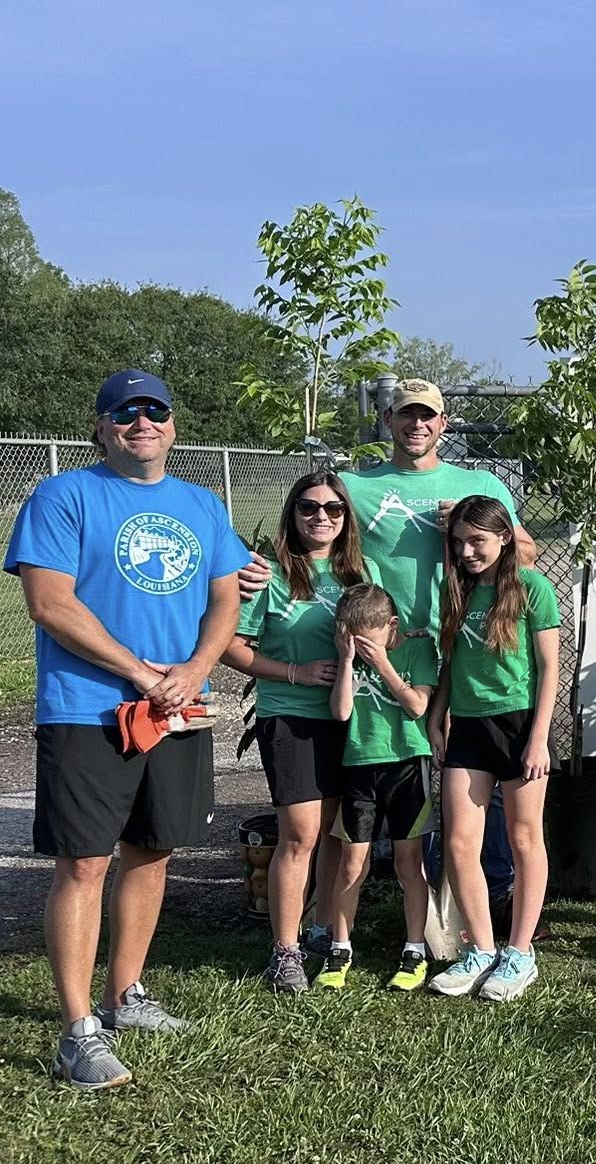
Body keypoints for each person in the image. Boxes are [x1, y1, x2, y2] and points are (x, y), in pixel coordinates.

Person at [7, 370, 250, 1089]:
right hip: (88, 708)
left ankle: (125, 996)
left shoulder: (202, 504)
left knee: (153, 848)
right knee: (83, 862)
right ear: (101, 426)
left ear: (172, 425)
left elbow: (225, 599)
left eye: (155, 410)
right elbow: (50, 604)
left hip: (178, 708)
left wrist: (195, 670)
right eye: (125, 412)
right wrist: (143, 674)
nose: (142, 422)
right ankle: (78, 1031)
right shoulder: (63, 496)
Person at [237, 378, 537, 931]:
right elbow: (314, 531)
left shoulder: (478, 482)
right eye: (405, 414)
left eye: (427, 415)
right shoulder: (354, 486)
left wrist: (466, 524)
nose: (416, 424)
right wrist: (256, 567)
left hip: (463, 648)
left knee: (479, 785)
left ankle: (492, 903)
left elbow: (527, 551)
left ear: (443, 423)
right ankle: (341, 926)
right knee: (393, 777)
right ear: (388, 420)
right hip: (387, 656)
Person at [220, 472, 374, 993]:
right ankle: (284, 952)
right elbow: (231, 646)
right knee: (301, 834)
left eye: (333, 509)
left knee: (335, 833)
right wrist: (296, 673)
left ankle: (322, 929)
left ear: (346, 517)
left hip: (351, 717)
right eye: (309, 507)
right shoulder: (269, 573)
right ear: (293, 513)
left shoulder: (362, 572)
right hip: (291, 715)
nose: (321, 517)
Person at [426, 496, 560, 1003]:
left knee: (524, 838)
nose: (467, 551)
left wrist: (539, 739)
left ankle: (520, 952)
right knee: (460, 843)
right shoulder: (455, 588)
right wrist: (437, 715)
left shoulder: (532, 587)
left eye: (477, 541)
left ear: (505, 537)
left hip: (520, 725)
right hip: (468, 727)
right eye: (459, 542)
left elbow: (549, 668)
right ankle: (481, 949)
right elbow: (451, 662)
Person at [323, 582, 439, 991]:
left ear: (392, 625)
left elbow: (418, 706)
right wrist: (346, 660)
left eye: (369, 643)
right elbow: (341, 713)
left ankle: (414, 950)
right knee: (352, 864)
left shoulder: (418, 649)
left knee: (409, 863)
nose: (364, 650)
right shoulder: (349, 657)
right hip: (360, 765)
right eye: (356, 642)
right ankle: (340, 948)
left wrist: (384, 664)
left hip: (407, 765)